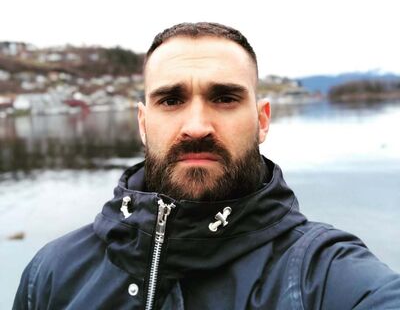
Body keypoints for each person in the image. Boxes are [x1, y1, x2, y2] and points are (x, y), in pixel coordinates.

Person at [13, 22, 400, 309]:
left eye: (225, 98)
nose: (197, 126)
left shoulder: (323, 275)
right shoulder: (53, 274)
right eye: (171, 100)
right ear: (143, 124)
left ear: (262, 120)